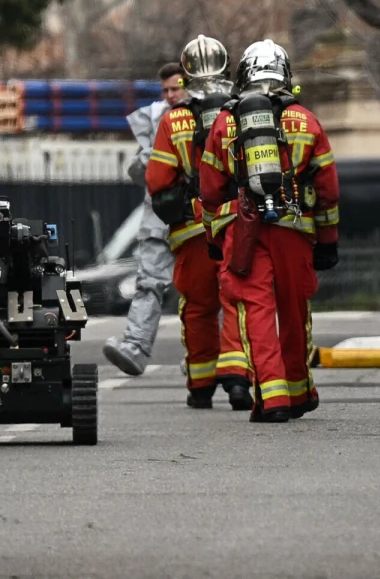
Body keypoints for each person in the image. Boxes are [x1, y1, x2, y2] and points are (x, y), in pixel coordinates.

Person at [199, 39, 340, 423]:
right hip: (294, 229)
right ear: (285, 74)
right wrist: (328, 242)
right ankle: (298, 391)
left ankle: (272, 398)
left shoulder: (225, 122)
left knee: (255, 312)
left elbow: (210, 189)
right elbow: (327, 189)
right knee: (293, 310)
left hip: (242, 230)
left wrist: (214, 240)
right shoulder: (307, 121)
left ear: (243, 75)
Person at [144, 38, 252, 411]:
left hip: (192, 229)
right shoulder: (242, 111)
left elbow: (158, 184)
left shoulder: (174, 121)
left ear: (185, 75)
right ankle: (238, 380)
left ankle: (201, 384)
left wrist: (189, 205)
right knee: (237, 300)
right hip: (238, 223)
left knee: (198, 306)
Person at [102, 64, 188, 375]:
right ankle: (135, 346)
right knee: (148, 282)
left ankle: (205, 358)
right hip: (160, 214)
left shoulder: (203, 113)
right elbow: (140, 174)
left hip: (195, 216)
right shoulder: (154, 117)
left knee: (203, 290)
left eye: (176, 88)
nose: (170, 95)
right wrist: (145, 161)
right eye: (165, 90)